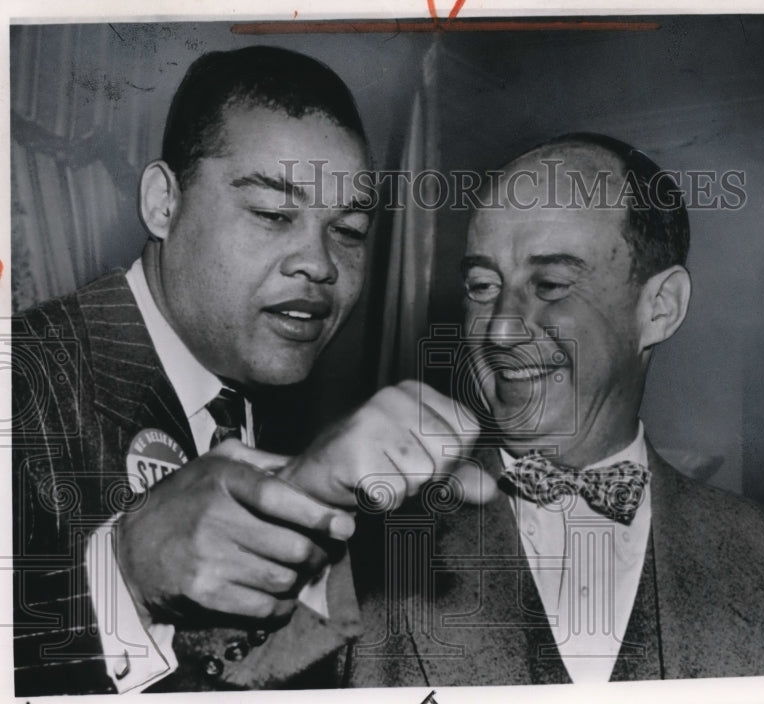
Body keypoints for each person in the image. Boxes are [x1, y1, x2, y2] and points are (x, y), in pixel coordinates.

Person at [11, 45, 481, 695]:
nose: (318, 263)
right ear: (161, 204)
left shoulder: (263, 394)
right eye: (272, 214)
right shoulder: (23, 381)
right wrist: (124, 577)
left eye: (348, 229)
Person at [346, 133, 764, 685]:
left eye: (550, 284)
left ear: (660, 308)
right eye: (482, 286)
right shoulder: (366, 546)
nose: (501, 328)